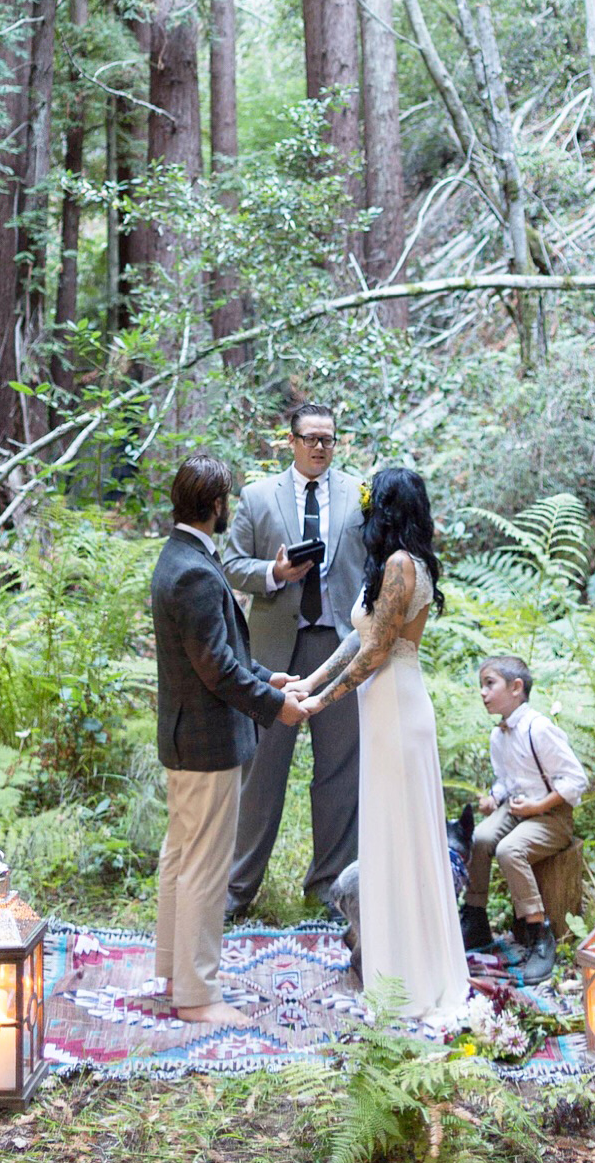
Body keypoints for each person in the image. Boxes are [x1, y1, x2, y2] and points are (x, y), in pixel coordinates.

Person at [293, 466, 469, 1023]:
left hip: (395, 706)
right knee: (391, 834)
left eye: (370, 501)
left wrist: (321, 703)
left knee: (400, 836)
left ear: (386, 508)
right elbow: (358, 639)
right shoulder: (396, 564)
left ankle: (410, 978)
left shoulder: (400, 565)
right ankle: (397, 963)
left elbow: (375, 654)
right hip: (385, 705)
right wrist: (309, 681)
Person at [151, 453, 305, 1026]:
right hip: (206, 742)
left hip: (187, 737)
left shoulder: (179, 556)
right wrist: (276, 707)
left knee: (180, 855)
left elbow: (212, 658)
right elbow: (214, 668)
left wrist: (268, 677)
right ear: (217, 506)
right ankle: (196, 995)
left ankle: (172, 967)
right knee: (205, 865)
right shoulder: (192, 570)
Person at [221, 402, 366, 915]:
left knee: (339, 770)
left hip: (340, 643)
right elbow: (231, 564)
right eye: (311, 438)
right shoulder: (259, 496)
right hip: (275, 650)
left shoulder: (359, 494)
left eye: (328, 439)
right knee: (261, 770)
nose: (320, 447)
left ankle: (328, 888)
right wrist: (274, 574)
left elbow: (375, 563)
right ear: (291, 441)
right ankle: (236, 891)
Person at [459, 654, 588, 984]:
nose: (483, 693)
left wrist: (538, 806)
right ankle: (475, 916)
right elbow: (506, 778)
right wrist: (495, 797)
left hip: (550, 816)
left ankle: (538, 933)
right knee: (481, 837)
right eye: (481, 686)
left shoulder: (539, 729)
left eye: (490, 684)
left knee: (509, 850)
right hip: (517, 810)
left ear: (516, 687)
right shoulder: (498, 735)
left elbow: (575, 780)